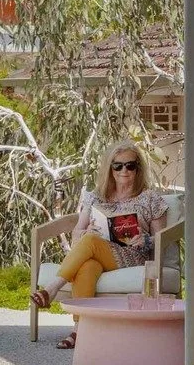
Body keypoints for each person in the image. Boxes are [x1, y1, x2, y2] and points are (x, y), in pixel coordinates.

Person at [33, 142, 166, 350]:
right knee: (87, 265)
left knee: (91, 243)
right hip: (97, 251)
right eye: (118, 166)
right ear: (109, 168)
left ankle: (52, 288)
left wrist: (146, 239)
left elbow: (162, 238)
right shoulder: (95, 197)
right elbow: (77, 232)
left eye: (130, 165)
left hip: (131, 255)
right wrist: (85, 233)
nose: (124, 171)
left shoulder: (150, 198)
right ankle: (80, 330)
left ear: (138, 168)